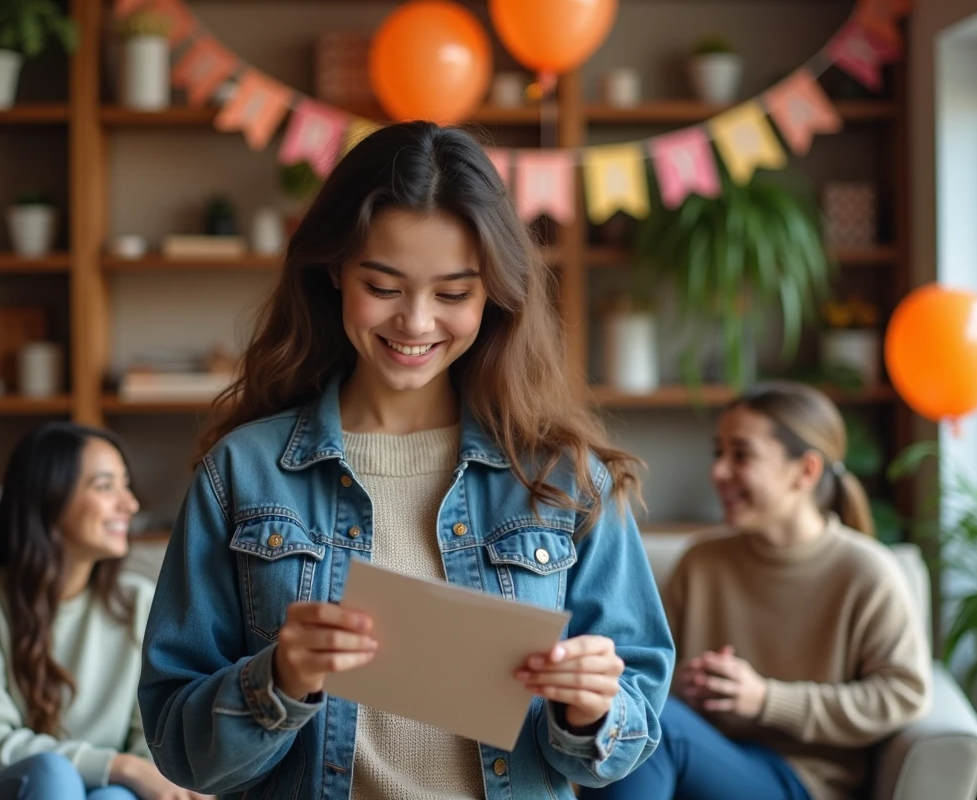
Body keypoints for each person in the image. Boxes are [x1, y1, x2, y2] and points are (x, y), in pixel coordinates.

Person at [138, 121, 674, 799]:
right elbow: (180, 749)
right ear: (334, 269)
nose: (416, 323)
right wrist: (276, 679)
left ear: (495, 294)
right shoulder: (243, 473)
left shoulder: (561, 477)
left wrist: (591, 708)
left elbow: (635, 723)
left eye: (453, 294)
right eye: (384, 287)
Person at [582, 382, 931, 800]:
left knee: (650, 727)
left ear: (806, 471)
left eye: (741, 455)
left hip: (802, 781)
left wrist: (766, 699)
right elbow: (650, 671)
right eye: (718, 453)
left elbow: (904, 694)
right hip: (701, 761)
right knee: (637, 717)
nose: (718, 471)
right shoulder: (702, 561)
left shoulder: (867, 572)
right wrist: (690, 686)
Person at [0, 421, 209, 800]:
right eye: (105, 486)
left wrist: (134, 773)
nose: (130, 504)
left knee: (115, 798)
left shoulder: (139, 602)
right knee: (54, 777)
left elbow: (146, 737)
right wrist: (122, 767)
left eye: (126, 484)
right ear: (48, 499)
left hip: (99, 790)